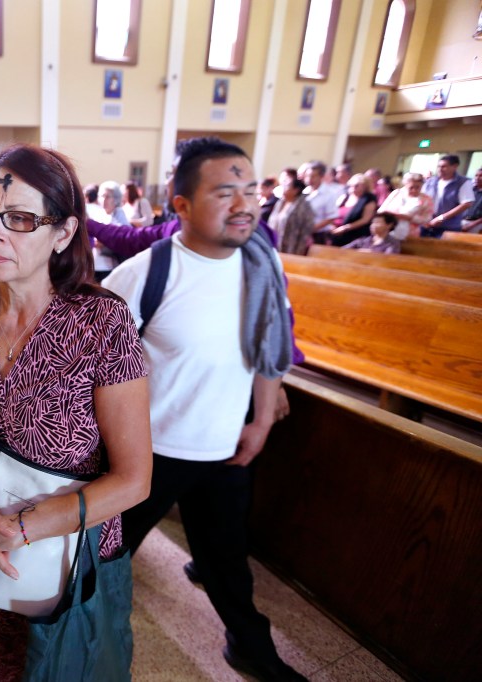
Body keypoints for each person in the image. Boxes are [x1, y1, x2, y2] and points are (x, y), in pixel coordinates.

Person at [0, 143, 152, 681]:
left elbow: (134, 480)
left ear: (64, 233)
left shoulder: (101, 324)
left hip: (67, 569)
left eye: (21, 218)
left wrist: (15, 530)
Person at [104, 137, 305, 682]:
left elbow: (270, 349)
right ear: (182, 205)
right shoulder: (146, 274)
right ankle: (79, 648)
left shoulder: (263, 263)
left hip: (224, 448)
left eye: (251, 190)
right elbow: (91, 367)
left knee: (227, 562)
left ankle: (251, 648)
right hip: (147, 457)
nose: (245, 204)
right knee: (104, 562)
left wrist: (261, 421)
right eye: (224, 192)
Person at [421, 154, 474, 236]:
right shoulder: (431, 181)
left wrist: (442, 218)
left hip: (448, 227)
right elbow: (421, 198)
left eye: (444, 166)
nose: (440, 169)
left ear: (455, 166)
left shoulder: (462, 182)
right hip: (426, 223)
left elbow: (466, 204)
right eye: (439, 166)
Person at [268, 171, 316, 255]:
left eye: (287, 186)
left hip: (292, 248)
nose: (283, 187)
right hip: (275, 246)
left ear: (296, 190)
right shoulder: (280, 203)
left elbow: (306, 229)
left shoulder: (304, 206)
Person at [379, 172, 434, 240]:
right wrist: (391, 215)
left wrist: (410, 218)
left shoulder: (426, 199)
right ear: (405, 184)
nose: (414, 190)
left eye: (417, 187)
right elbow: (381, 211)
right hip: (388, 232)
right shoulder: (397, 193)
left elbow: (428, 219)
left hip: (410, 235)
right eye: (411, 187)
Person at [329, 173, 377, 247]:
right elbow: (333, 212)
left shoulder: (369, 199)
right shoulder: (344, 197)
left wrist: (345, 228)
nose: (353, 187)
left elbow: (365, 219)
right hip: (334, 232)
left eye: (357, 185)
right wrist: (331, 226)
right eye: (351, 185)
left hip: (353, 235)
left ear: (365, 187)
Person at [460, 167, 482, 233]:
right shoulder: (470, 189)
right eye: (476, 175)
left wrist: (471, 225)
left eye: (481, 176)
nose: (477, 178)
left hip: (476, 224)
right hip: (461, 220)